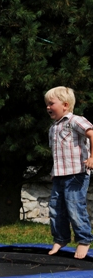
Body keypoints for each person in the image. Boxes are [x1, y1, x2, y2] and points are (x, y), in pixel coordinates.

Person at [44, 86, 93, 259]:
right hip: (59, 174)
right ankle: (61, 238)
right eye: (47, 104)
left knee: (74, 206)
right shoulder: (53, 128)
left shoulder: (75, 121)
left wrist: (92, 157)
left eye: (51, 103)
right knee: (56, 208)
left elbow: (92, 134)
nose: (48, 107)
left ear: (65, 105)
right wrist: (54, 171)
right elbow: (58, 153)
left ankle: (84, 240)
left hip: (77, 173)